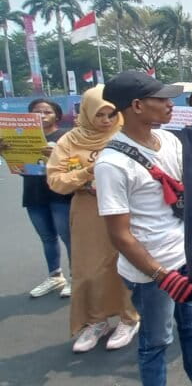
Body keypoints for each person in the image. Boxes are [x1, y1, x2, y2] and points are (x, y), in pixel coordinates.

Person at [95, 71, 192, 386]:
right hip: (150, 275)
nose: (169, 104)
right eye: (161, 99)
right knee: (156, 342)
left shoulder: (170, 141)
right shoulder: (111, 164)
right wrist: (163, 276)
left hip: (184, 256)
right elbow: (119, 235)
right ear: (136, 105)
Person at [47, 85, 140, 353]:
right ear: (87, 113)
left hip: (125, 209)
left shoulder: (128, 135)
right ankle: (95, 321)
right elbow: (56, 180)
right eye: (100, 115)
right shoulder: (70, 141)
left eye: (111, 114)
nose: (106, 121)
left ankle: (129, 317)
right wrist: (88, 173)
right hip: (88, 212)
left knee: (125, 265)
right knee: (88, 270)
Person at [0, 99, 72, 298]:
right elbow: (18, 167)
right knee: (47, 238)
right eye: (36, 112)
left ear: (56, 115)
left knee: (69, 238)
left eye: (46, 111)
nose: (41, 115)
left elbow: (77, 164)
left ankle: (77, 277)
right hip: (34, 193)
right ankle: (55, 275)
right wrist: (6, 151)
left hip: (61, 194)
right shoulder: (17, 137)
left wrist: (58, 155)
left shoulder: (67, 136)